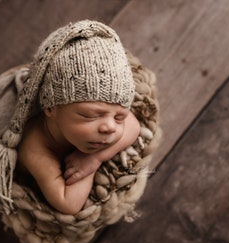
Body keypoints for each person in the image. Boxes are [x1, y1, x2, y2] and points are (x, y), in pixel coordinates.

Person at [17, 20, 140, 215]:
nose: (110, 127)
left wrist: (93, 157)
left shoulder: (95, 125)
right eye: (90, 115)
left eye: (119, 117)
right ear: (50, 108)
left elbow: (133, 125)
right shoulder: (35, 148)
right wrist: (88, 165)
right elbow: (68, 204)